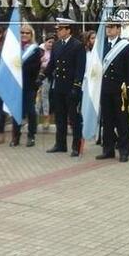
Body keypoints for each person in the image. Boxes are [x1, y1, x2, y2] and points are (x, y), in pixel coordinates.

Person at [95, 16, 129, 163]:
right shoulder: (102, 45)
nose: (109, 29)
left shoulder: (126, 46)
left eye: (112, 27)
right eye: (107, 27)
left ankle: (124, 151)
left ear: (119, 29)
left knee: (122, 121)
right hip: (105, 89)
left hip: (120, 90)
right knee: (107, 121)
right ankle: (108, 149)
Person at [44, 18, 85, 156]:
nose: (58, 31)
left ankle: (76, 146)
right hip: (59, 87)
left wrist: (76, 86)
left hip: (71, 87)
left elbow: (80, 69)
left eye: (61, 29)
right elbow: (52, 64)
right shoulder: (56, 45)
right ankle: (60, 144)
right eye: (58, 29)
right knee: (60, 117)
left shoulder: (77, 45)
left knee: (73, 118)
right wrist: (42, 76)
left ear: (68, 30)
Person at [11, 24, 43, 147]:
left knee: (30, 111)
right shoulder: (14, 48)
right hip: (16, 85)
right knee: (16, 111)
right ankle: (16, 136)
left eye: (27, 33)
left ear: (31, 35)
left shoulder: (35, 50)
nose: (24, 35)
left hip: (29, 85)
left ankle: (31, 136)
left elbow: (35, 67)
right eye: (22, 32)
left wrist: (20, 66)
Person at [36, 35, 55, 130]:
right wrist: (39, 61)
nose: (51, 44)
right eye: (49, 42)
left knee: (44, 96)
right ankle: (34, 118)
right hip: (37, 75)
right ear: (45, 42)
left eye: (53, 42)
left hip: (47, 77)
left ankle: (46, 118)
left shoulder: (55, 51)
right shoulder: (39, 50)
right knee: (36, 97)